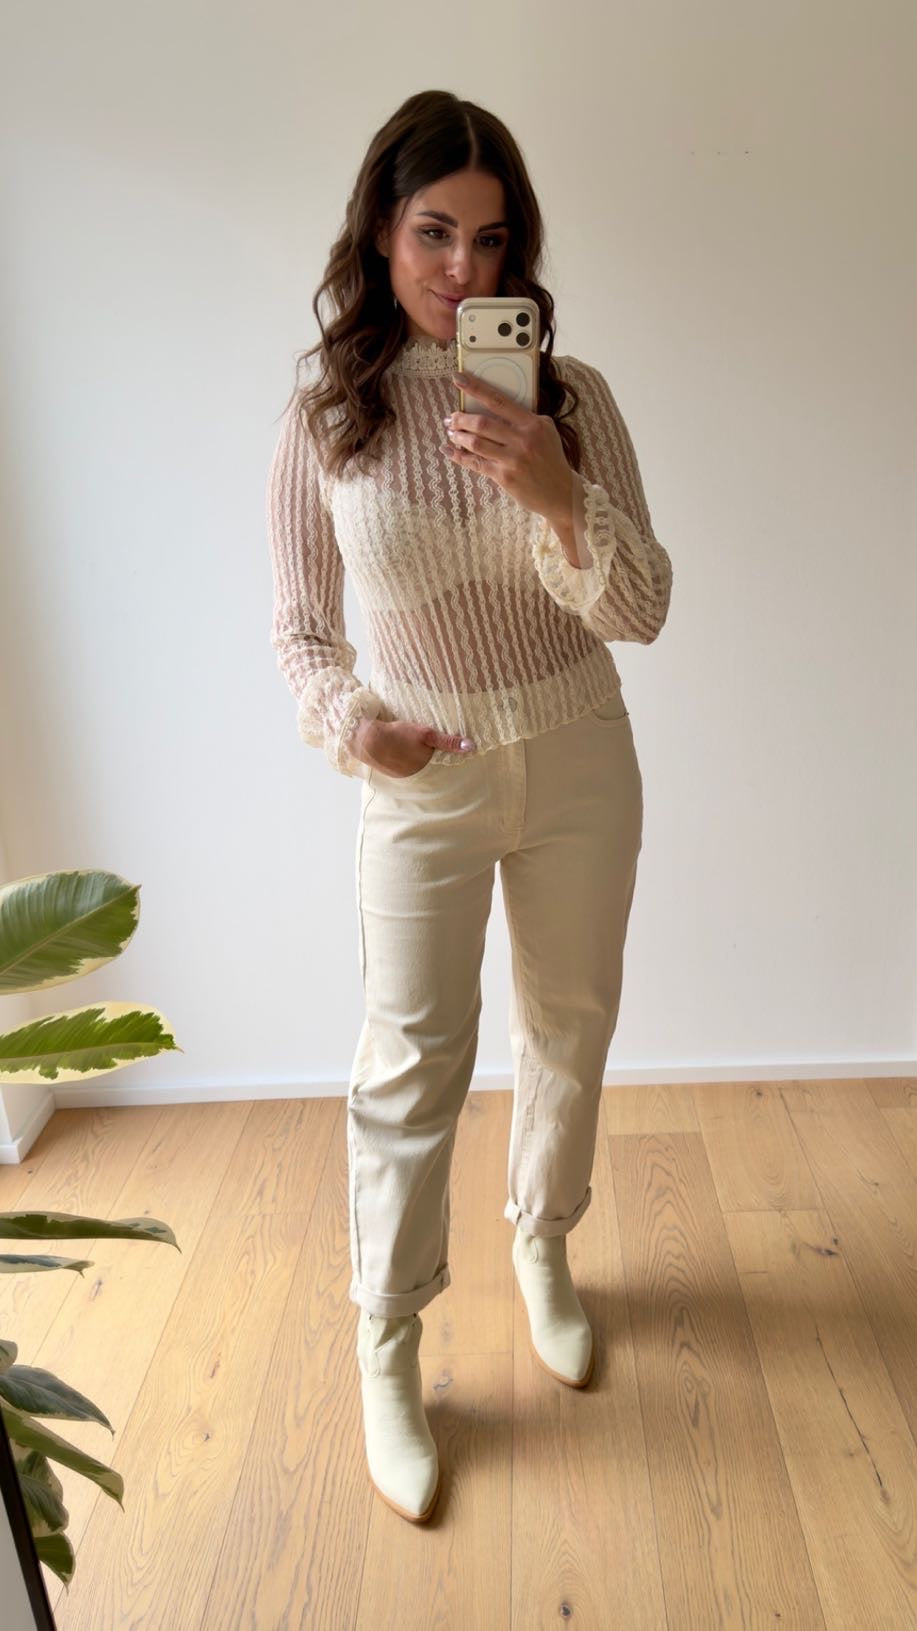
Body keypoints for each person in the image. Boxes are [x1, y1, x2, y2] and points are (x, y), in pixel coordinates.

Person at [266, 90, 673, 1525]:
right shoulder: (330, 415)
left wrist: (557, 492)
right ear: (381, 232)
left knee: (569, 1024)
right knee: (408, 1061)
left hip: (577, 752)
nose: (462, 270)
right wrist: (353, 727)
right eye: (434, 233)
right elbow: (302, 632)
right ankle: (389, 1344)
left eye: (491, 242)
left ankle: (543, 1245)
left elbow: (641, 607)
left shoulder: (572, 399)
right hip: (422, 775)